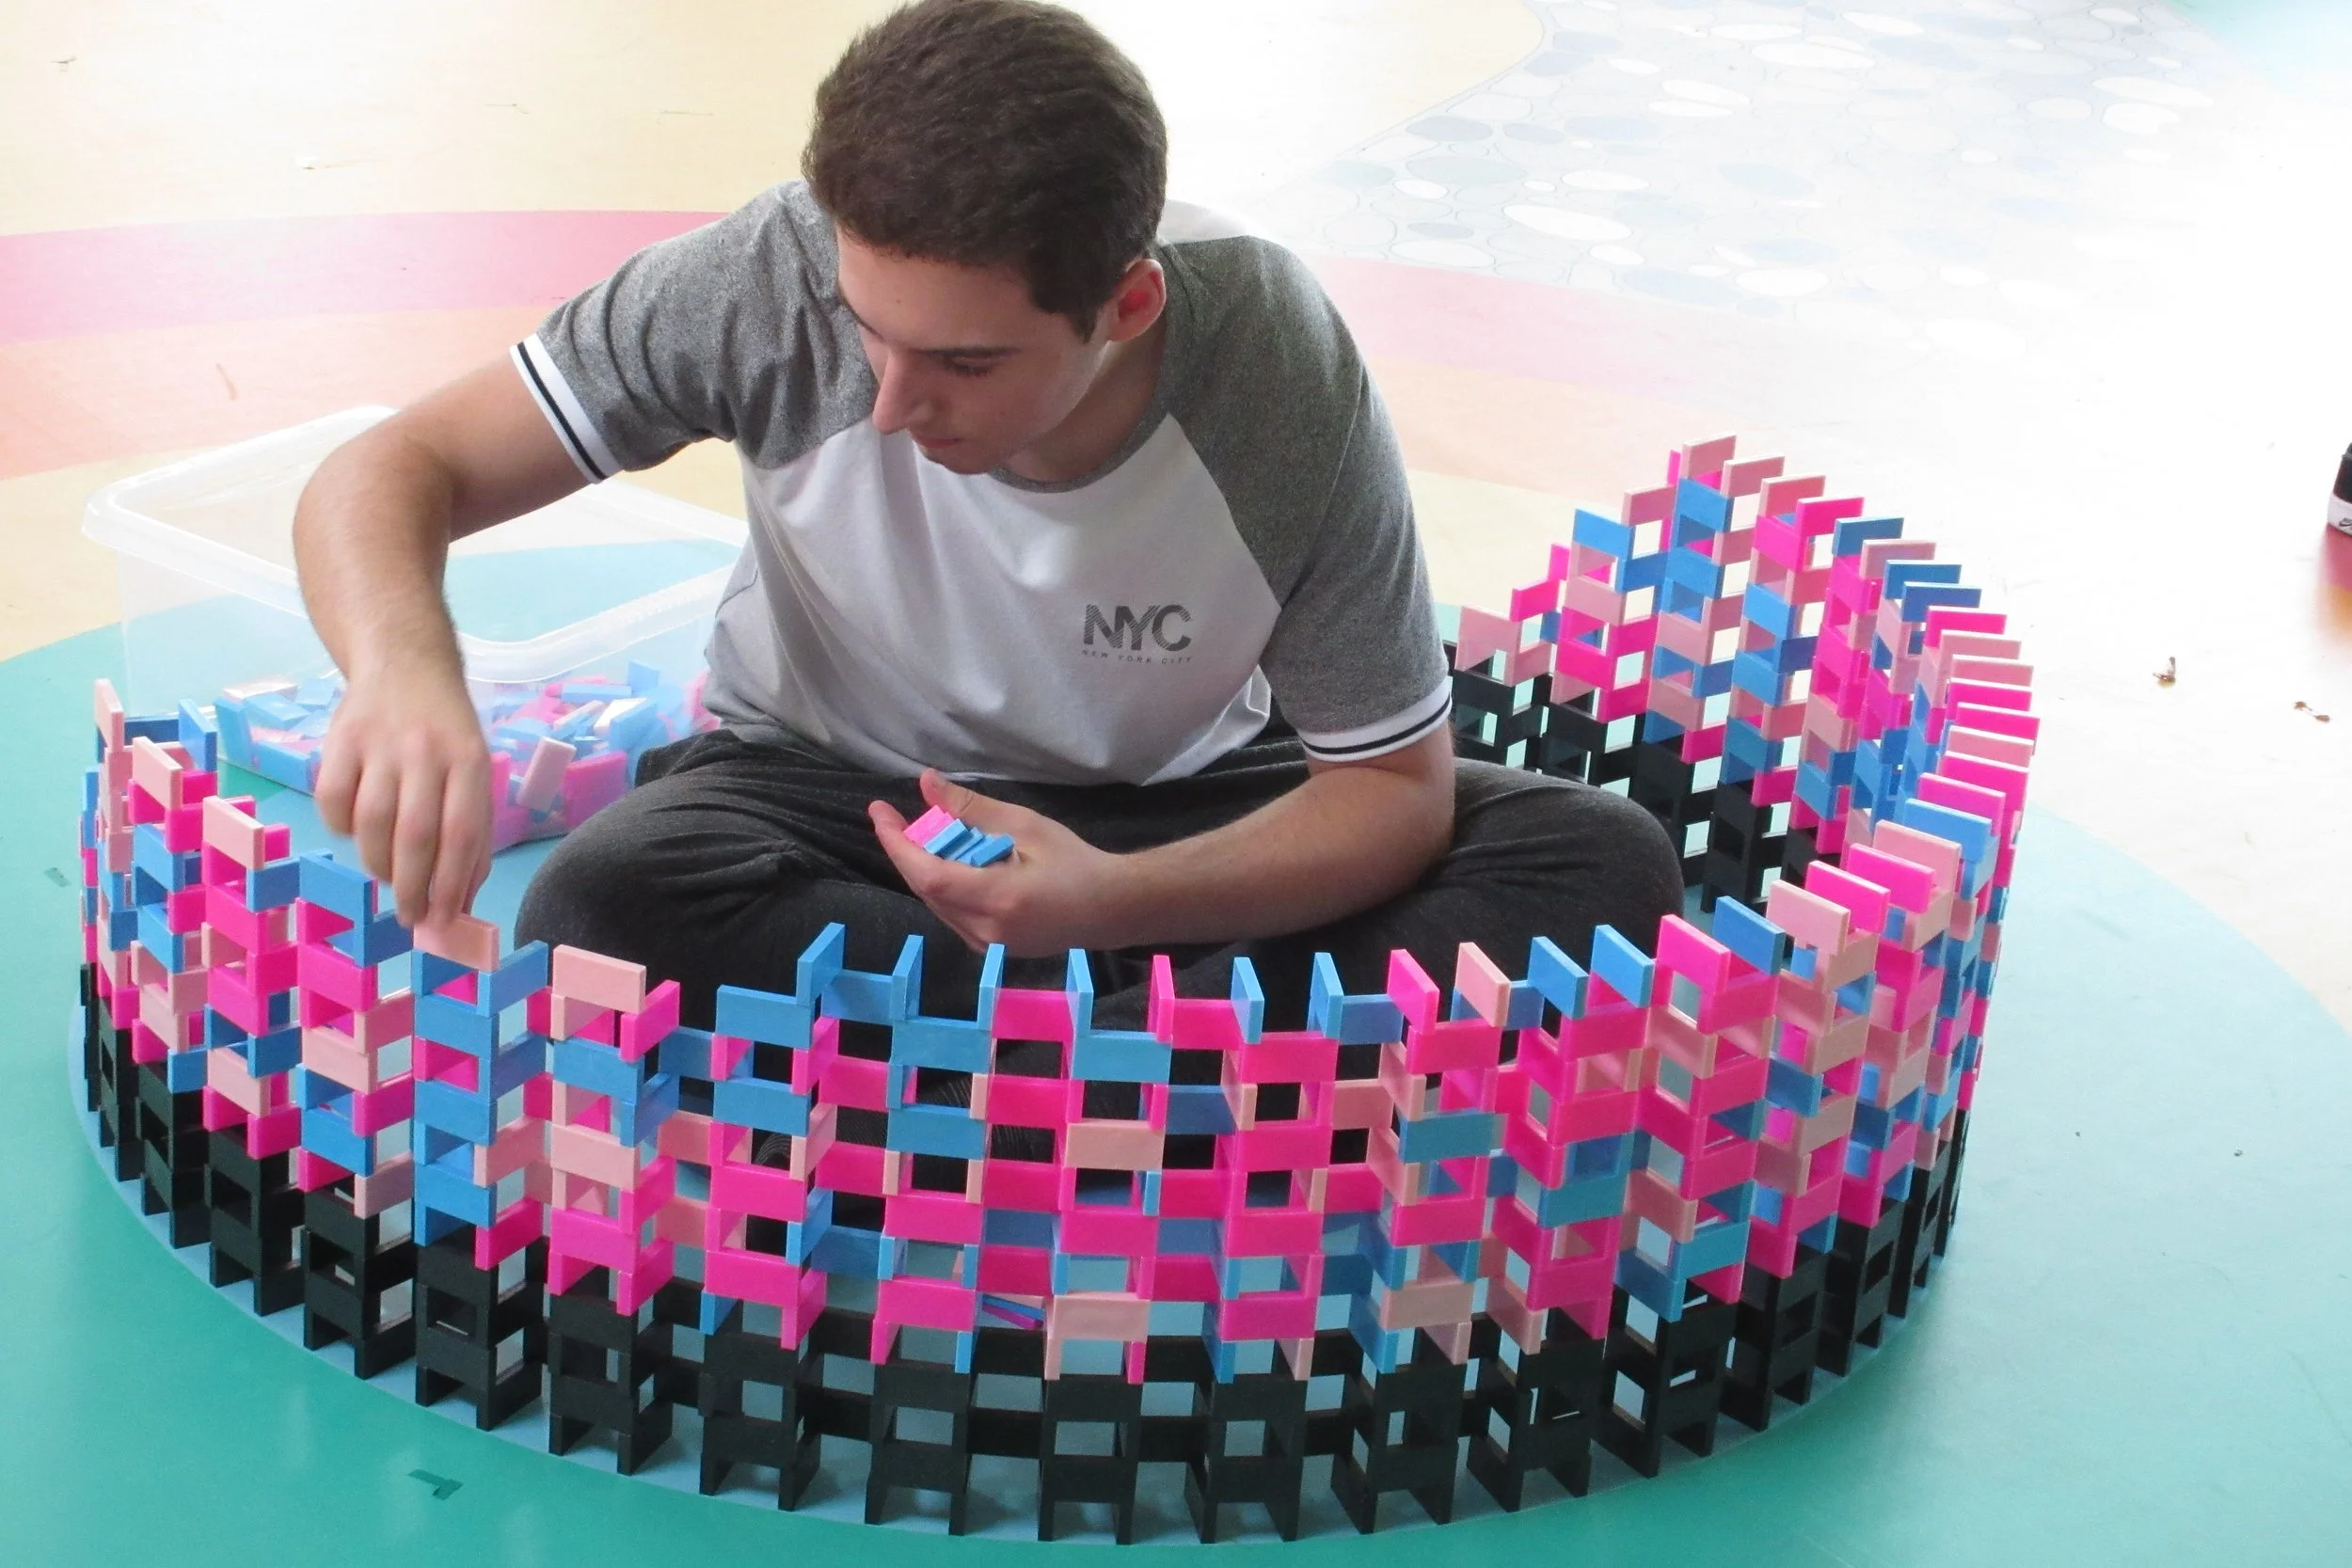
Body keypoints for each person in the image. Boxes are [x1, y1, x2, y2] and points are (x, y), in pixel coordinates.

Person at [292, 0, 1680, 1032]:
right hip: (834, 792)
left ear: (1126, 306)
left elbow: (1386, 788)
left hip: (1180, 813)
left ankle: (1010, 1048)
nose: (890, 403)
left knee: (1600, 863)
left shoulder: (1273, 366)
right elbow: (392, 465)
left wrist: (1119, 901)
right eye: (866, 327)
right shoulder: (766, 276)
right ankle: (1195, 1058)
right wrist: (408, 666)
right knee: (609, 901)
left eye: (964, 363)